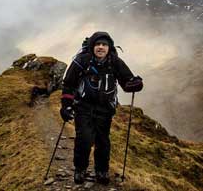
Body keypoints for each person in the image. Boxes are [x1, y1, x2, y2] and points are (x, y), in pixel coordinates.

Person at [60, 31, 143, 185]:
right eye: (97, 44)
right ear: (92, 46)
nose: (100, 47)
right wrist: (65, 106)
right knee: (84, 139)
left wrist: (136, 84)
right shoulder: (81, 60)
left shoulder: (115, 62)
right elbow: (69, 84)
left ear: (109, 47)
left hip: (105, 110)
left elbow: (127, 82)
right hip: (83, 108)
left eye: (104, 45)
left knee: (103, 141)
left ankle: (102, 171)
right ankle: (80, 169)